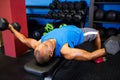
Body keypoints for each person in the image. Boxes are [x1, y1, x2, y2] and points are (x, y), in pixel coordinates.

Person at [8, 24, 106, 64]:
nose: (45, 41)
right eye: (46, 45)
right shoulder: (65, 51)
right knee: (96, 33)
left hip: (65, 28)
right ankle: (99, 59)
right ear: (51, 53)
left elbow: (24, 39)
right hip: (78, 32)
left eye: (42, 43)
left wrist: (11, 28)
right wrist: (107, 49)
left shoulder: (38, 44)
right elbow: (89, 56)